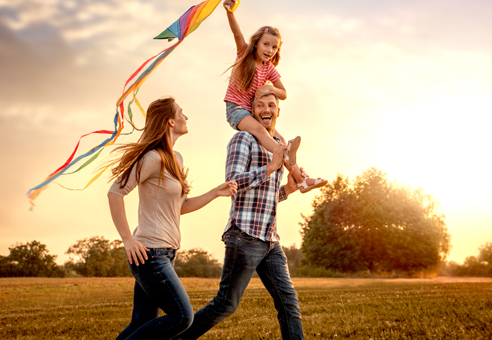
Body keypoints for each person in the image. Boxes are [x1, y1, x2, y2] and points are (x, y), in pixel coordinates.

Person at [175, 92, 306, 340]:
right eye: (260, 105)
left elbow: (266, 197)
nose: (266, 109)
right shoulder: (243, 139)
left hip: (270, 239)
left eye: (271, 105)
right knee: (226, 304)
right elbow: (232, 184)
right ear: (252, 111)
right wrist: (270, 168)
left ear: (278, 111)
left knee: (289, 304)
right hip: (244, 236)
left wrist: (288, 188)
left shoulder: (277, 146)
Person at [107, 97, 238, 340]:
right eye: (181, 112)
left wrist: (214, 193)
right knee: (183, 317)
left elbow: (179, 207)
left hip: (165, 252)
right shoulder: (152, 158)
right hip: (149, 253)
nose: (185, 117)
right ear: (170, 121)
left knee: (143, 321)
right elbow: (116, 192)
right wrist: (127, 239)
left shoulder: (175, 158)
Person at [222, 0, 327, 193]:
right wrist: (230, 12)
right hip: (236, 109)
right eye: (266, 45)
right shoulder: (244, 54)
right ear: (256, 44)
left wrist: (270, 88)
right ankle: (283, 152)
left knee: (280, 139)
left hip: (251, 112)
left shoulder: (269, 69)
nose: (269, 50)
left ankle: (301, 180)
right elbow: (237, 33)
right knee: (264, 134)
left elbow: (284, 93)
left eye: (274, 48)